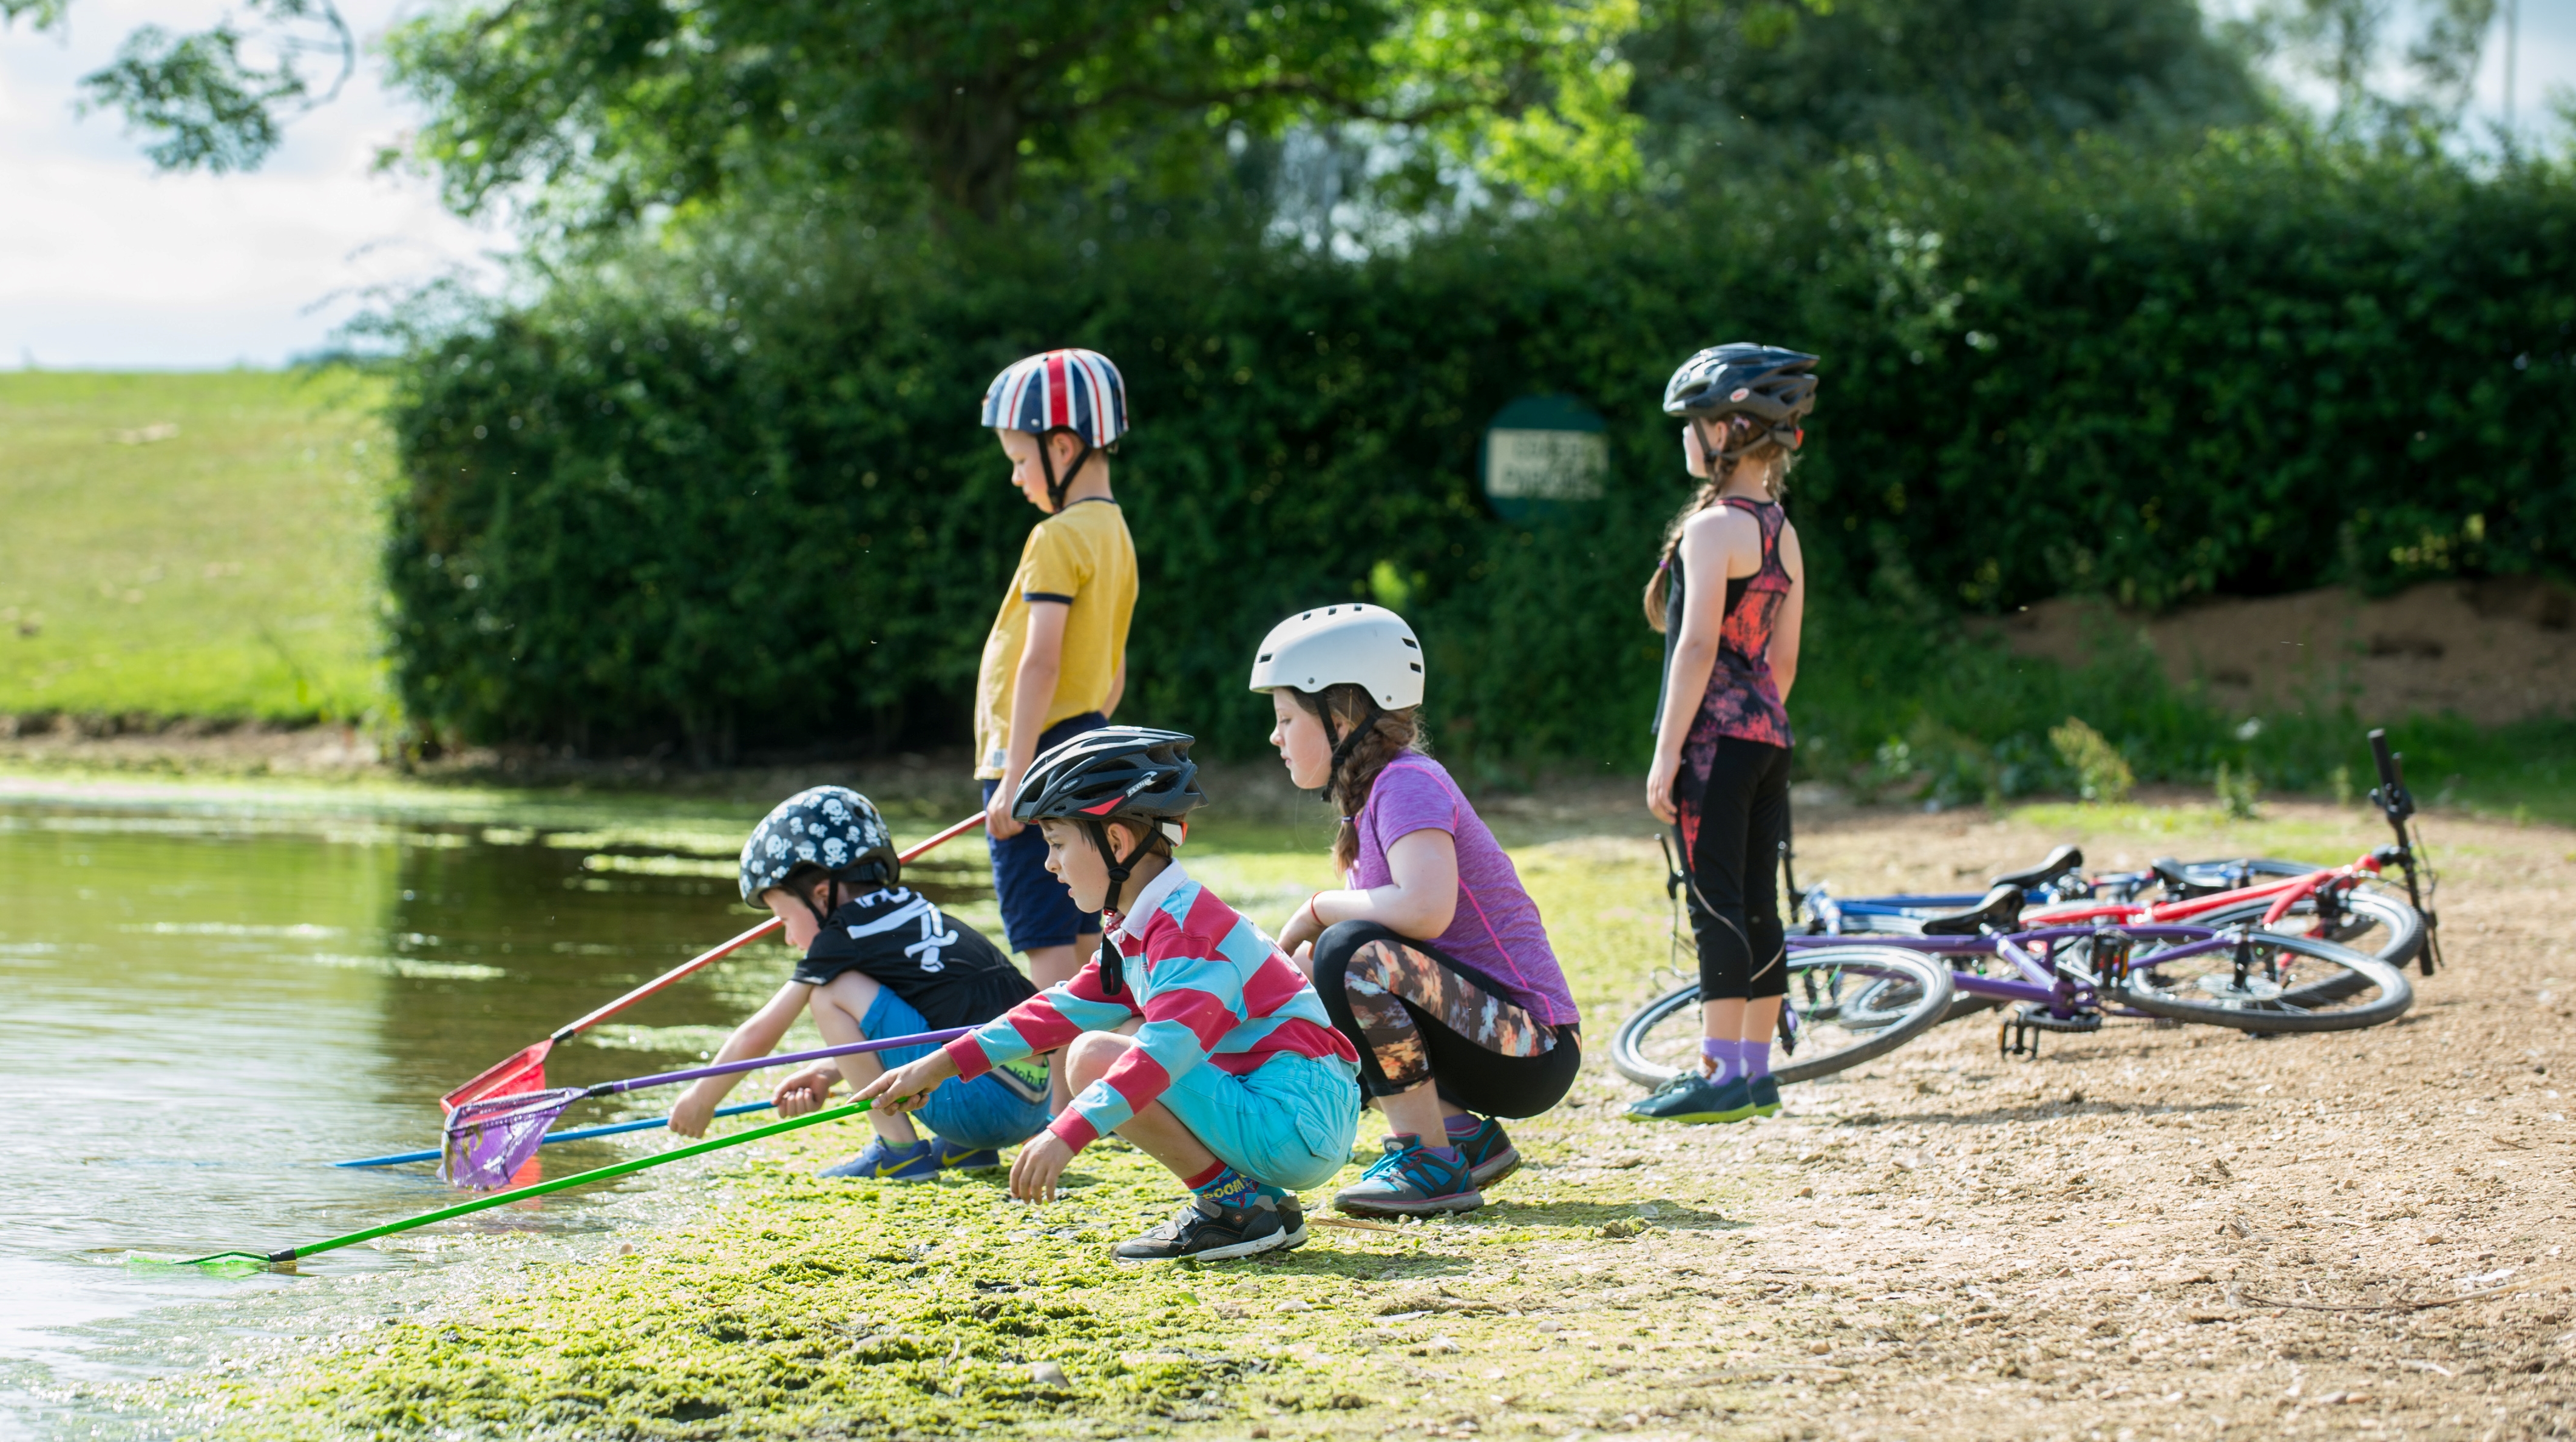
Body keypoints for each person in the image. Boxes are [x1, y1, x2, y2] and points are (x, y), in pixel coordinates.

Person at [859, 728, 1363, 1262]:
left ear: (1116, 843)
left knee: (1096, 1057)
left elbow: (1163, 1053)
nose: (1049, 864)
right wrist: (939, 1065)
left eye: (1056, 844)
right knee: (1097, 1049)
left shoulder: (1186, 937)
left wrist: (1065, 1134)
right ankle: (1256, 1207)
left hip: (1297, 1117)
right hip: (1289, 1114)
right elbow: (1055, 1010)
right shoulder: (1145, 925)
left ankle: (1233, 1208)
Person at [1255, 604, 1581, 1219]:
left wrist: (1316, 909)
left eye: (1285, 718)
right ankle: (1460, 1137)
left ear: (1340, 715)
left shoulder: (1406, 783)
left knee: (1348, 955)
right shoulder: (1371, 799)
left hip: (1532, 1046)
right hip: (1490, 1042)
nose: (1274, 736)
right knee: (1321, 966)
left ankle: (1427, 1161)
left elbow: (1426, 910)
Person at [666, 786, 1051, 1180]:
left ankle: (899, 1152)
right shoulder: (910, 912)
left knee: (828, 992)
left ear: (820, 895)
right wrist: (828, 1072)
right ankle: (966, 1152)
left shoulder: (844, 933)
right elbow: (923, 1022)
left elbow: (761, 1033)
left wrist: (702, 1097)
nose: (787, 938)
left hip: (979, 1107)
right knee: (924, 1002)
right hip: (1034, 1100)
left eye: (783, 919)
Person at [1629, 344, 1814, 1126]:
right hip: (1767, 736)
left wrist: (1668, 751)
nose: (1685, 437)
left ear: (1728, 433)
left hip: (1712, 742)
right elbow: (1781, 658)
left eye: (1694, 423)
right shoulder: (1780, 531)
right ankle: (1751, 1071)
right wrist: (1757, 721)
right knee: (1757, 901)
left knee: (1714, 903)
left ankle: (1715, 1075)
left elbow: (1697, 644)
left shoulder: (1712, 529)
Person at [973, 348, 1140, 1103]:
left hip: (1035, 755)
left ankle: (1058, 1114)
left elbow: (1038, 662)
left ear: (1061, 446)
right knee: (1081, 936)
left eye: (1018, 458)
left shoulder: (1056, 537)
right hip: (1086, 739)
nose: (1015, 476)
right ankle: (1083, 1095)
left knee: (1044, 944)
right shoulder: (1115, 534)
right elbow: (1113, 669)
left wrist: (1013, 776)